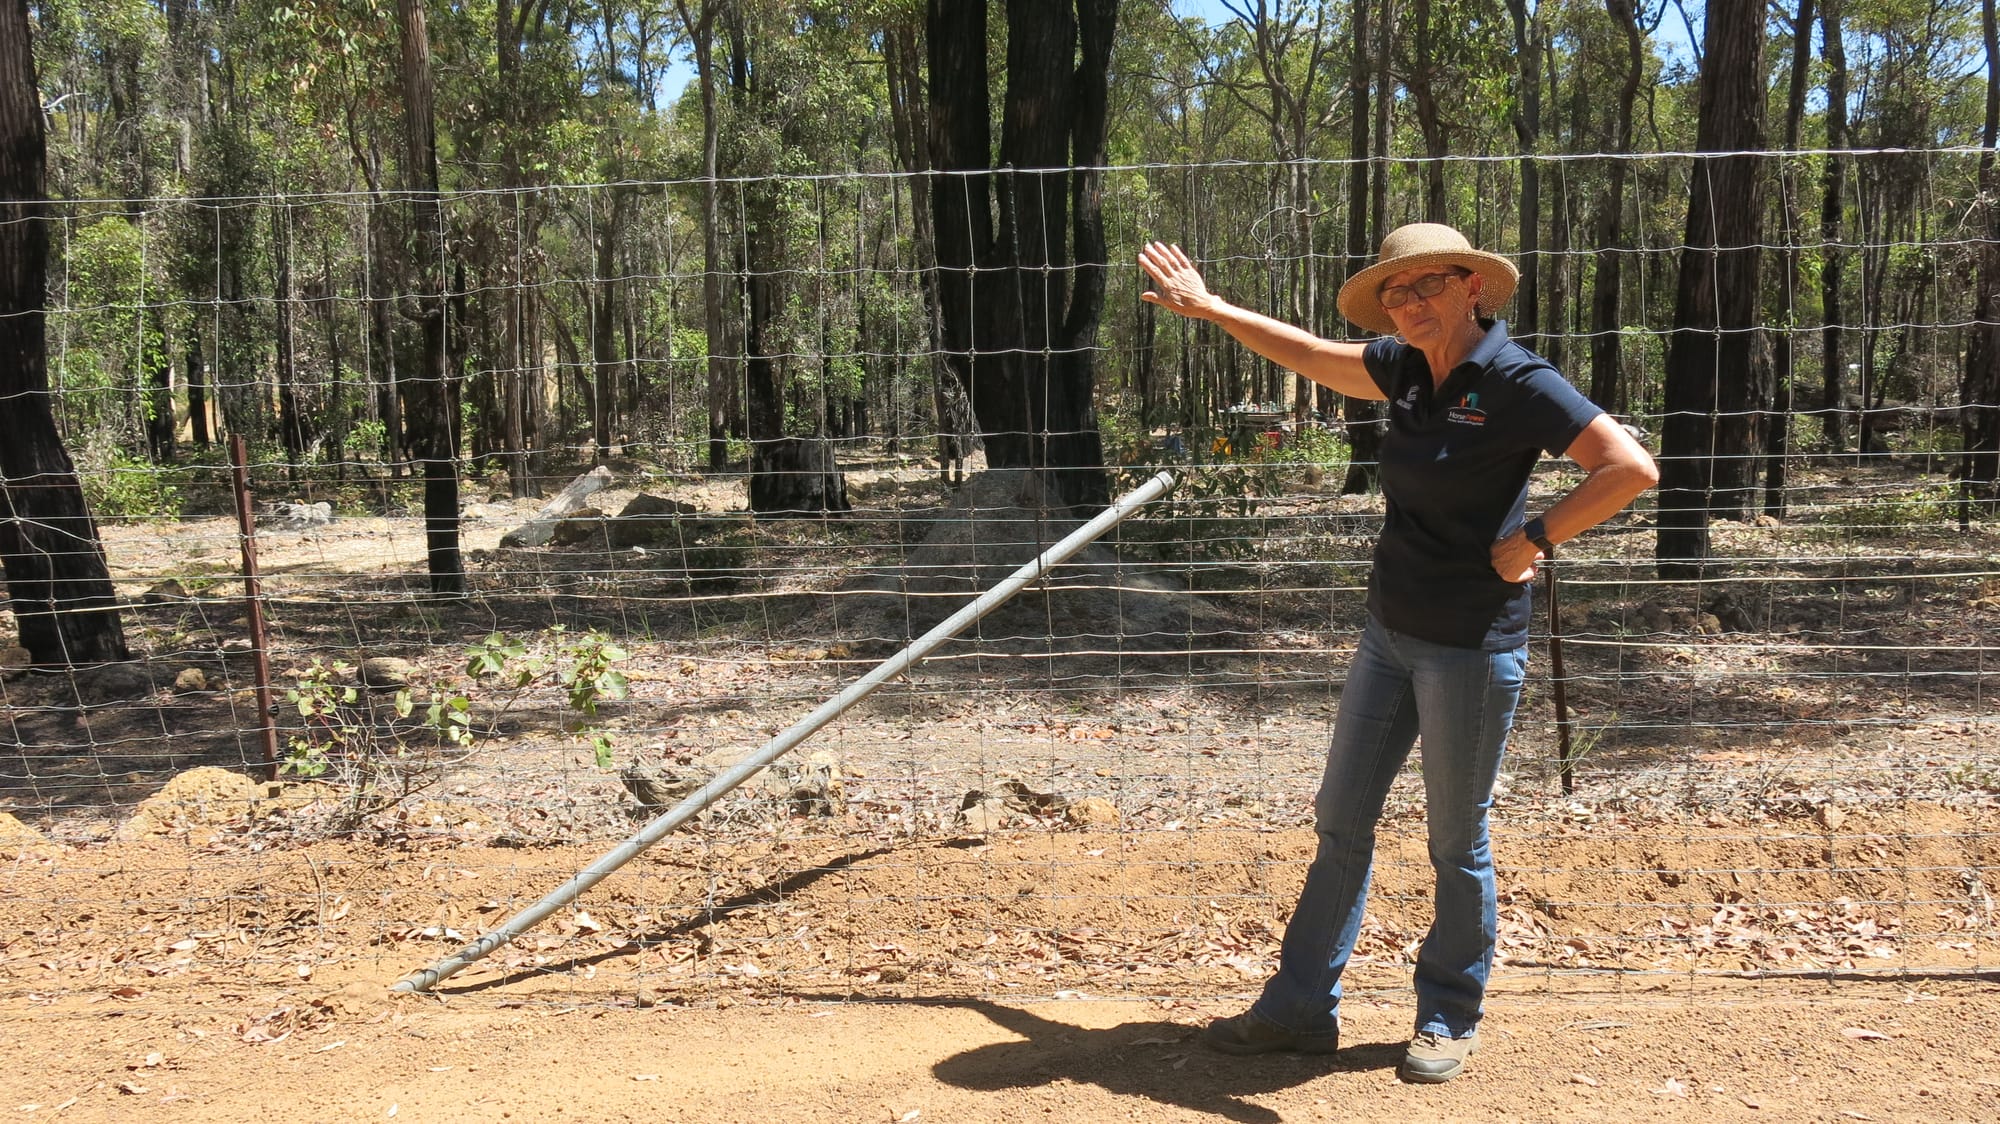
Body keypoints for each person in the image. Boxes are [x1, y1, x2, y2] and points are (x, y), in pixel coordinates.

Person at [1137, 223, 1657, 1083]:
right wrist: (1211, 306)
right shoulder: (1403, 367)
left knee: (1457, 841)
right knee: (1342, 821)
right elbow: (1307, 354)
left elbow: (1628, 466)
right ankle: (1299, 1012)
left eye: (1426, 286)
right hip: (1390, 633)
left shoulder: (1520, 381)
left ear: (1471, 288)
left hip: (1471, 648)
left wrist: (1537, 536)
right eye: (1395, 293)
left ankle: (1450, 1015)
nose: (1409, 304)